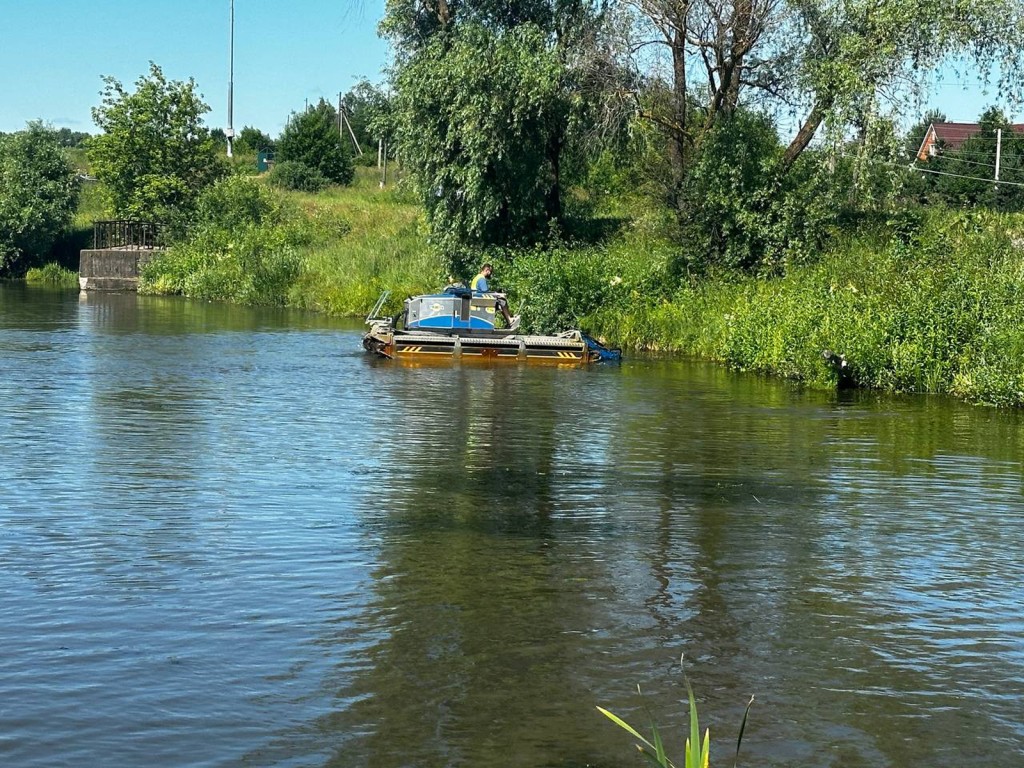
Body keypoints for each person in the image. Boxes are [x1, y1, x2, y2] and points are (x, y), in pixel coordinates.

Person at [471, 263, 519, 330]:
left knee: (499, 302)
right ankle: (509, 320)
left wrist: (496, 293)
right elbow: (485, 292)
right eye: (490, 272)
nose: (490, 273)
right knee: (502, 300)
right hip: (481, 301)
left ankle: (509, 319)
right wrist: (498, 295)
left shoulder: (476, 277)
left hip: (476, 300)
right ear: (487, 270)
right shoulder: (481, 279)